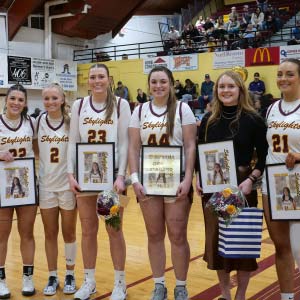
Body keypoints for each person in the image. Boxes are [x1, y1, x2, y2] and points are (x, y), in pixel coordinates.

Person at [196, 70, 268, 300]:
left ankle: (241, 296)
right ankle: (226, 294)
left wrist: (251, 180)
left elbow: (265, 157)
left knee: (242, 249)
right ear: (215, 91)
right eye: (221, 87)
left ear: (240, 90)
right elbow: (200, 153)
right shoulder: (208, 120)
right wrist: (199, 176)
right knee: (217, 247)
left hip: (243, 189)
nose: (225, 90)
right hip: (213, 189)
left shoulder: (254, 120)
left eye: (230, 86)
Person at [128, 66, 196, 300]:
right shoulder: (139, 111)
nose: (158, 86)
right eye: (154, 82)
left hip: (175, 180)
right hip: (149, 181)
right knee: (154, 234)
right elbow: (134, 147)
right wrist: (134, 179)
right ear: (148, 85)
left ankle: (180, 286)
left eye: (163, 82)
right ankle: (159, 285)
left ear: (171, 84)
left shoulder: (182, 109)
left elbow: (190, 146)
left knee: (178, 235)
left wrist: (188, 178)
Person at [68, 63, 131, 300]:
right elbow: (73, 141)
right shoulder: (79, 105)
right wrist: (71, 174)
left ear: (109, 79)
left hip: (111, 179)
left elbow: (124, 142)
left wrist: (121, 175)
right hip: (85, 178)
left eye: (101, 77)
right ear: (88, 81)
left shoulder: (121, 105)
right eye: (92, 77)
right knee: (87, 231)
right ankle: (89, 281)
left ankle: (120, 284)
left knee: (114, 229)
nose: (96, 81)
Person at [262, 58, 300, 300]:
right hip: (272, 183)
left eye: (290, 74)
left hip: (298, 181)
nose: (283, 79)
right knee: (282, 246)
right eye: (279, 74)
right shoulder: (271, 108)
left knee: (299, 248)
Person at [34, 83, 77, 296]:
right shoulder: (39, 121)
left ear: (62, 100)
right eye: (46, 98)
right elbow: (35, 147)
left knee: (68, 232)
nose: (50, 102)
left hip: (67, 186)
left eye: (54, 98)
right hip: (47, 186)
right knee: (50, 233)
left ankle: (70, 273)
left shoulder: (71, 122)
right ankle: (52, 275)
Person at [0, 84, 37, 298]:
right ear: (6, 99)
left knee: (27, 234)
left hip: (27, 185)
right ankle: (1, 280)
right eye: (12, 98)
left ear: (25, 104)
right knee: (2, 236)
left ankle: (28, 277)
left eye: (20, 100)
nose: (16, 103)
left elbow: (38, 151)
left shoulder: (30, 123)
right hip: (3, 186)